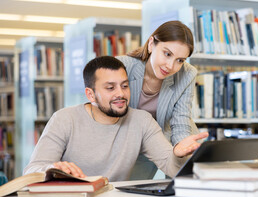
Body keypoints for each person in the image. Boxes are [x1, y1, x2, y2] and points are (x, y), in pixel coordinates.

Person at [23, 56, 208, 181]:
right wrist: (53, 169)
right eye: (110, 88)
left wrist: (177, 154)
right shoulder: (64, 119)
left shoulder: (142, 121)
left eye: (125, 86)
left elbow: (171, 166)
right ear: (91, 94)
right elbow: (31, 170)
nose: (121, 94)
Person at [116, 20, 200, 179]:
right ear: (151, 44)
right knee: (128, 188)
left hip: (169, 136)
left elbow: (181, 119)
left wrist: (182, 150)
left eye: (180, 60)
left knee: (182, 183)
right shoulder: (122, 67)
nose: (170, 66)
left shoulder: (188, 74)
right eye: (167, 54)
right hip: (131, 140)